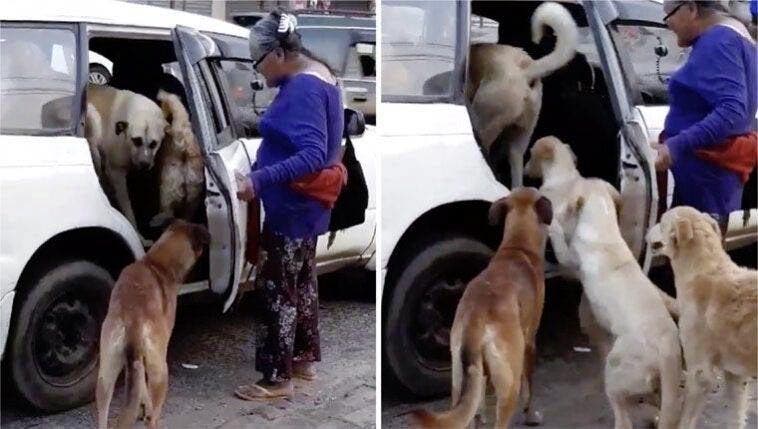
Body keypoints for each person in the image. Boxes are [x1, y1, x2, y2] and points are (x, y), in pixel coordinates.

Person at [233, 10, 344, 399]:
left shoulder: (302, 89)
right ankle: (302, 361)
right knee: (301, 283)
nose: (259, 73)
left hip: (292, 208)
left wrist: (258, 179)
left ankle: (276, 379)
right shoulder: (321, 75)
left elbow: (313, 153)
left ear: (278, 54)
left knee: (277, 288)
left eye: (259, 63)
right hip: (308, 209)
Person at [654, 0, 757, 224]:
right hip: (711, 177)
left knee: (699, 254)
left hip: (705, 177)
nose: (667, 24)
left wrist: (675, 146)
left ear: (691, 9)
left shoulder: (718, 41)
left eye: (668, 15)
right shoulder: (734, 36)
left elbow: (732, 112)